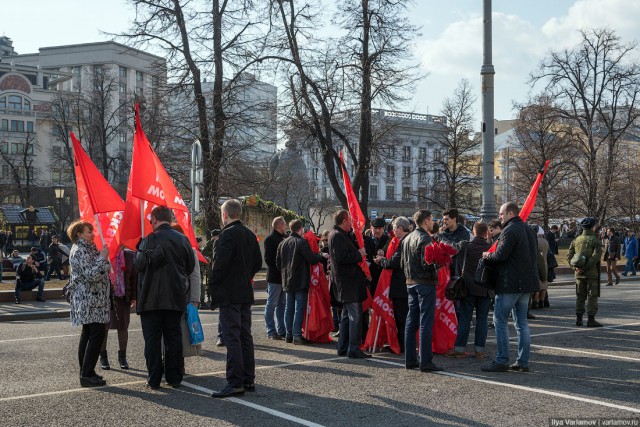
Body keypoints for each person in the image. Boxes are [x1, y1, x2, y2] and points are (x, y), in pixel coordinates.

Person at [135, 206, 195, 390]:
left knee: (152, 341)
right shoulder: (183, 239)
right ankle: (174, 377)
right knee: (173, 338)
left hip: (150, 299)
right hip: (175, 297)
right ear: (169, 219)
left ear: (154, 219)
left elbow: (138, 266)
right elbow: (190, 267)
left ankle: (154, 379)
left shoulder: (148, 240)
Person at [208, 199, 262, 398]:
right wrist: (244, 275)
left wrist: (213, 285)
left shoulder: (226, 235)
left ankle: (235, 381)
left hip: (229, 293)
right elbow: (257, 262)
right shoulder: (249, 235)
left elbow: (219, 265)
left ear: (225, 215)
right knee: (244, 335)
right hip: (245, 291)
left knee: (232, 336)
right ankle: (248, 379)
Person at [481, 202, 539, 373]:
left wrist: (487, 255)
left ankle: (502, 360)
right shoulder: (528, 229)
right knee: (522, 323)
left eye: (501, 213)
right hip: (526, 283)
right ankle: (523, 361)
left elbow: (500, 256)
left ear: (510, 213)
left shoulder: (510, 230)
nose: (499, 217)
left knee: (499, 321)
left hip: (509, 283)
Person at [66, 220, 111, 387]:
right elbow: (92, 275)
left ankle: (87, 371)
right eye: (88, 231)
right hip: (89, 300)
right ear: (79, 234)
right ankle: (86, 374)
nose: (93, 234)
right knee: (96, 333)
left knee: (88, 333)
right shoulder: (79, 250)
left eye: (92, 231)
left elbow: (105, 268)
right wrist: (103, 258)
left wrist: (103, 259)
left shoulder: (89, 249)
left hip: (95, 300)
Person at [401, 209, 443, 372]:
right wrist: (441, 262)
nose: (433, 222)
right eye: (431, 219)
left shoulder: (407, 238)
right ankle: (425, 361)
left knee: (412, 320)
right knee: (425, 322)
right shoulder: (425, 238)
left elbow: (403, 262)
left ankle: (410, 360)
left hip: (410, 282)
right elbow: (427, 263)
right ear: (426, 221)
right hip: (424, 282)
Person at [443, 222, 493, 359]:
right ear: (486, 233)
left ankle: (459, 348)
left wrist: (439, 236)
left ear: (474, 232)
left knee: (465, 319)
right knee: (482, 320)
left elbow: (451, 246)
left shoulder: (466, 245)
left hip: (468, 288)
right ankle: (480, 351)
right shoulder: (490, 247)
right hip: (485, 289)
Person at [328, 209, 371, 360]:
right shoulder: (338, 236)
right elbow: (342, 257)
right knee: (355, 316)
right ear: (344, 221)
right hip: (348, 283)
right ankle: (353, 348)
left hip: (346, 283)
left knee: (346, 316)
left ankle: (343, 347)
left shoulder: (339, 235)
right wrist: (359, 254)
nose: (352, 223)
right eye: (350, 221)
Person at [277, 219, 327, 344]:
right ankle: (297, 335)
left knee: (289, 308)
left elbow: (278, 263)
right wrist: (321, 256)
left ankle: (289, 335)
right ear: (300, 229)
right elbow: (312, 259)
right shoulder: (301, 242)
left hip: (287, 280)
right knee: (299, 308)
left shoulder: (282, 243)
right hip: (300, 280)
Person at [374, 216, 410, 353]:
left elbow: (394, 263)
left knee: (402, 318)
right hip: (404, 285)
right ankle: (403, 344)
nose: (393, 232)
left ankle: (404, 346)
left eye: (394, 229)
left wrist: (382, 261)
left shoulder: (404, 242)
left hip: (401, 286)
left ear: (400, 228)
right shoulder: (406, 239)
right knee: (404, 318)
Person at [99, 246, 136, 371]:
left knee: (123, 326)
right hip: (105, 296)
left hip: (123, 296)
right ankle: (103, 356)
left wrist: (133, 296)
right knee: (104, 327)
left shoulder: (130, 255)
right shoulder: (103, 253)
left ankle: (122, 356)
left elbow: (134, 277)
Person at [568, 217, 603, 327]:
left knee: (580, 296)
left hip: (579, 274)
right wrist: (586, 267)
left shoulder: (576, 240)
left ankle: (579, 319)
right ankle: (591, 320)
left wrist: (576, 268)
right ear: (593, 227)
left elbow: (569, 257)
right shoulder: (595, 240)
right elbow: (596, 257)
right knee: (592, 296)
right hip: (592, 273)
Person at [263, 216, 287, 340]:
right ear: (279, 226)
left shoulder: (283, 238)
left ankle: (281, 329)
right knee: (271, 304)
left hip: (282, 277)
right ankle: (271, 330)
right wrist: (281, 267)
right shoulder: (270, 239)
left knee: (282, 304)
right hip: (274, 277)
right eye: (284, 225)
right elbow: (268, 259)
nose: (286, 227)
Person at [531, 226, 549, 310]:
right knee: (544, 286)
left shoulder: (535, 241)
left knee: (537, 286)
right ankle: (542, 301)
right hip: (545, 264)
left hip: (537, 264)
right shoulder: (545, 241)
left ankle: (535, 302)